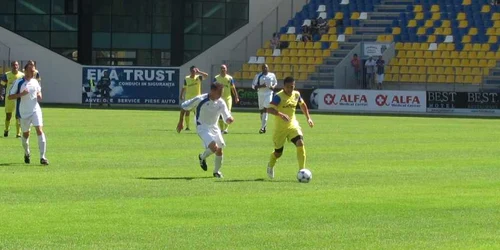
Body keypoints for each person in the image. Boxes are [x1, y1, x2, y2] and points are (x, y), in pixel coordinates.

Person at [176, 82, 234, 178]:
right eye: (219, 92)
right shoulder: (200, 99)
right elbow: (184, 107)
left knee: (219, 150)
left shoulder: (221, 102)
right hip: (202, 127)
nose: (221, 95)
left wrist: (229, 119)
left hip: (214, 127)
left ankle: (216, 171)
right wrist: (181, 122)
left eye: (222, 92)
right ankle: (202, 157)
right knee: (213, 147)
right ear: (212, 91)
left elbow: (226, 116)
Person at [266, 76, 314, 179]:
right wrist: (280, 114)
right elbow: (269, 109)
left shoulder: (296, 94)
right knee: (278, 153)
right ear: (284, 86)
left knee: (300, 143)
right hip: (280, 129)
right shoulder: (278, 96)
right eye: (287, 87)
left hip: (293, 125)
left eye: (292, 87)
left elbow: (303, 105)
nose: (290, 89)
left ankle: (302, 170)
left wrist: (308, 118)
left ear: (294, 86)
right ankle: (270, 164)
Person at [8, 62, 48, 165]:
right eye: (30, 69)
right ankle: (27, 152)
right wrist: (21, 94)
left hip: (35, 110)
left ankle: (42, 157)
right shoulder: (19, 82)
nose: (32, 71)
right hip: (24, 112)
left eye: (33, 69)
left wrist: (39, 95)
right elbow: (10, 96)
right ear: (25, 70)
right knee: (26, 135)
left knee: (39, 130)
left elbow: (38, 91)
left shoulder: (35, 81)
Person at [180, 65, 209, 131]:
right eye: (193, 71)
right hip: (188, 97)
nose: (194, 72)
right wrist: (181, 94)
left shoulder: (199, 77)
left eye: (195, 71)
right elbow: (184, 87)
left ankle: (198, 126)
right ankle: (187, 127)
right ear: (190, 71)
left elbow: (206, 75)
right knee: (187, 111)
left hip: (197, 97)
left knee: (197, 112)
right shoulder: (186, 78)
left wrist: (199, 72)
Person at [213, 64, 239, 134]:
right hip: (219, 99)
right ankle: (221, 129)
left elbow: (233, 88)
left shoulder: (229, 78)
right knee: (220, 114)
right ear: (220, 69)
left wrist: (236, 97)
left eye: (224, 68)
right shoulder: (216, 78)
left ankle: (226, 129)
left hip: (228, 98)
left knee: (228, 113)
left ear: (226, 69)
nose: (223, 69)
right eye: (221, 68)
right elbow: (213, 88)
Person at [1, 61, 24, 137]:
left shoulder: (22, 75)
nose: (15, 66)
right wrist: (1, 94)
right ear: (11, 66)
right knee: (8, 115)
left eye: (16, 65)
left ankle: (18, 133)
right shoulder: (6, 75)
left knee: (18, 115)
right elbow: (2, 85)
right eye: (14, 65)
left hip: (18, 98)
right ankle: (6, 130)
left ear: (18, 66)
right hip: (9, 98)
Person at [252, 64, 277, 134]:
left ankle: (262, 127)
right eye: (263, 68)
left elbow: (275, 83)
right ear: (261, 69)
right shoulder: (258, 76)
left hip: (269, 94)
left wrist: (273, 87)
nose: (265, 69)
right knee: (261, 111)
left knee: (266, 108)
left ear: (268, 68)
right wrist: (261, 86)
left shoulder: (272, 75)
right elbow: (253, 86)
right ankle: (264, 126)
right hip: (260, 94)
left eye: (266, 67)